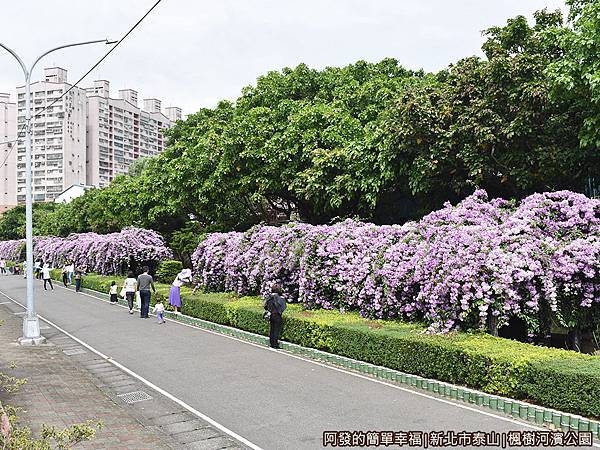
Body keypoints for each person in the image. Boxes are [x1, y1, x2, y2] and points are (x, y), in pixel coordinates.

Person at [264, 283, 286, 349]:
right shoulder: (280, 298)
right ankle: (275, 344)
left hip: (271, 315)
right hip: (277, 315)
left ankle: (271, 343)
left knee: (272, 329)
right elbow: (283, 307)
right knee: (276, 329)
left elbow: (265, 306)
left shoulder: (269, 297)